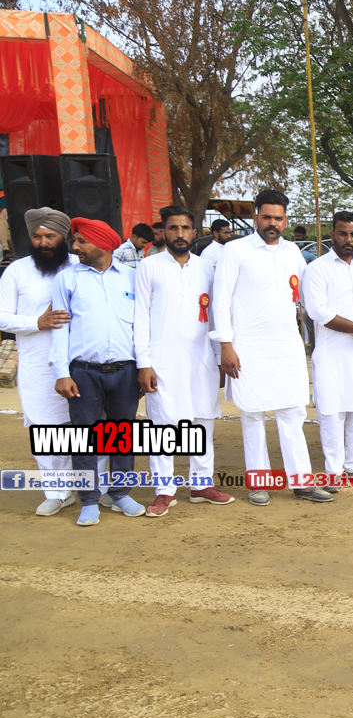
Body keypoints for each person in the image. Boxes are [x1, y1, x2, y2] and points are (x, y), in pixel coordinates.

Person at [212, 189, 331, 506]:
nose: (272, 223)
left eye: (278, 218)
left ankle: (302, 482)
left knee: (292, 411)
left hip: (287, 342)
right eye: (266, 217)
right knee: (252, 413)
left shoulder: (293, 252)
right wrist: (226, 346)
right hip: (247, 344)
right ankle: (259, 482)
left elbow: (308, 295)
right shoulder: (235, 250)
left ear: (286, 220)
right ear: (256, 217)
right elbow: (220, 301)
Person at [135, 205, 234, 517]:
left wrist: (218, 357)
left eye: (185, 228)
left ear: (194, 231)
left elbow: (216, 314)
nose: (179, 234)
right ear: (163, 231)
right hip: (161, 362)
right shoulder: (149, 266)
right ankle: (164, 491)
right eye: (173, 228)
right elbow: (140, 317)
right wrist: (143, 363)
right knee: (163, 427)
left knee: (202, 420)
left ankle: (201, 484)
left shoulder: (206, 268)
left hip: (201, 360)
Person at [50, 217, 146, 525]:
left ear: (103, 244)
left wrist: (143, 367)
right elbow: (59, 329)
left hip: (126, 372)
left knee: (122, 436)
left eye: (82, 241)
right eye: (75, 240)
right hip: (83, 373)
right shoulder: (67, 279)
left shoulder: (132, 277)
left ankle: (120, 494)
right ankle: (89, 500)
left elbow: (142, 326)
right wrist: (61, 372)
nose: (75, 247)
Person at [0, 207, 77, 515]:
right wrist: (37, 322)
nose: (43, 243)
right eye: (36, 236)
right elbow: (2, 316)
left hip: (80, 364)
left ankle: (95, 490)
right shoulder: (17, 271)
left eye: (50, 236)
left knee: (87, 428)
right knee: (45, 430)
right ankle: (58, 492)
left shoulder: (79, 266)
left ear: (64, 237)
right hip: (37, 366)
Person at [301, 211, 353, 491]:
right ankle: (333, 471)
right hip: (332, 352)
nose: (348, 239)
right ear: (332, 234)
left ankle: (352, 466)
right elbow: (318, 311)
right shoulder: (317, 268)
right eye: (342, 234)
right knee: (332, 411)